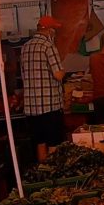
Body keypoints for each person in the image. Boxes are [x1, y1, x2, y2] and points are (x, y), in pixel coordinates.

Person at [22, 16, 66, 162]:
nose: (54, 33)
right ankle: (54, 174)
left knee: (40, 142)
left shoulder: (25, 47)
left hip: (31, 107)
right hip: (50, 105)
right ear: (49, 30)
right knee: (53, 142)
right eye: (54, 30)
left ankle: (43, 172)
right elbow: (58, 75)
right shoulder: (48, 46)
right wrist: (64, 69)